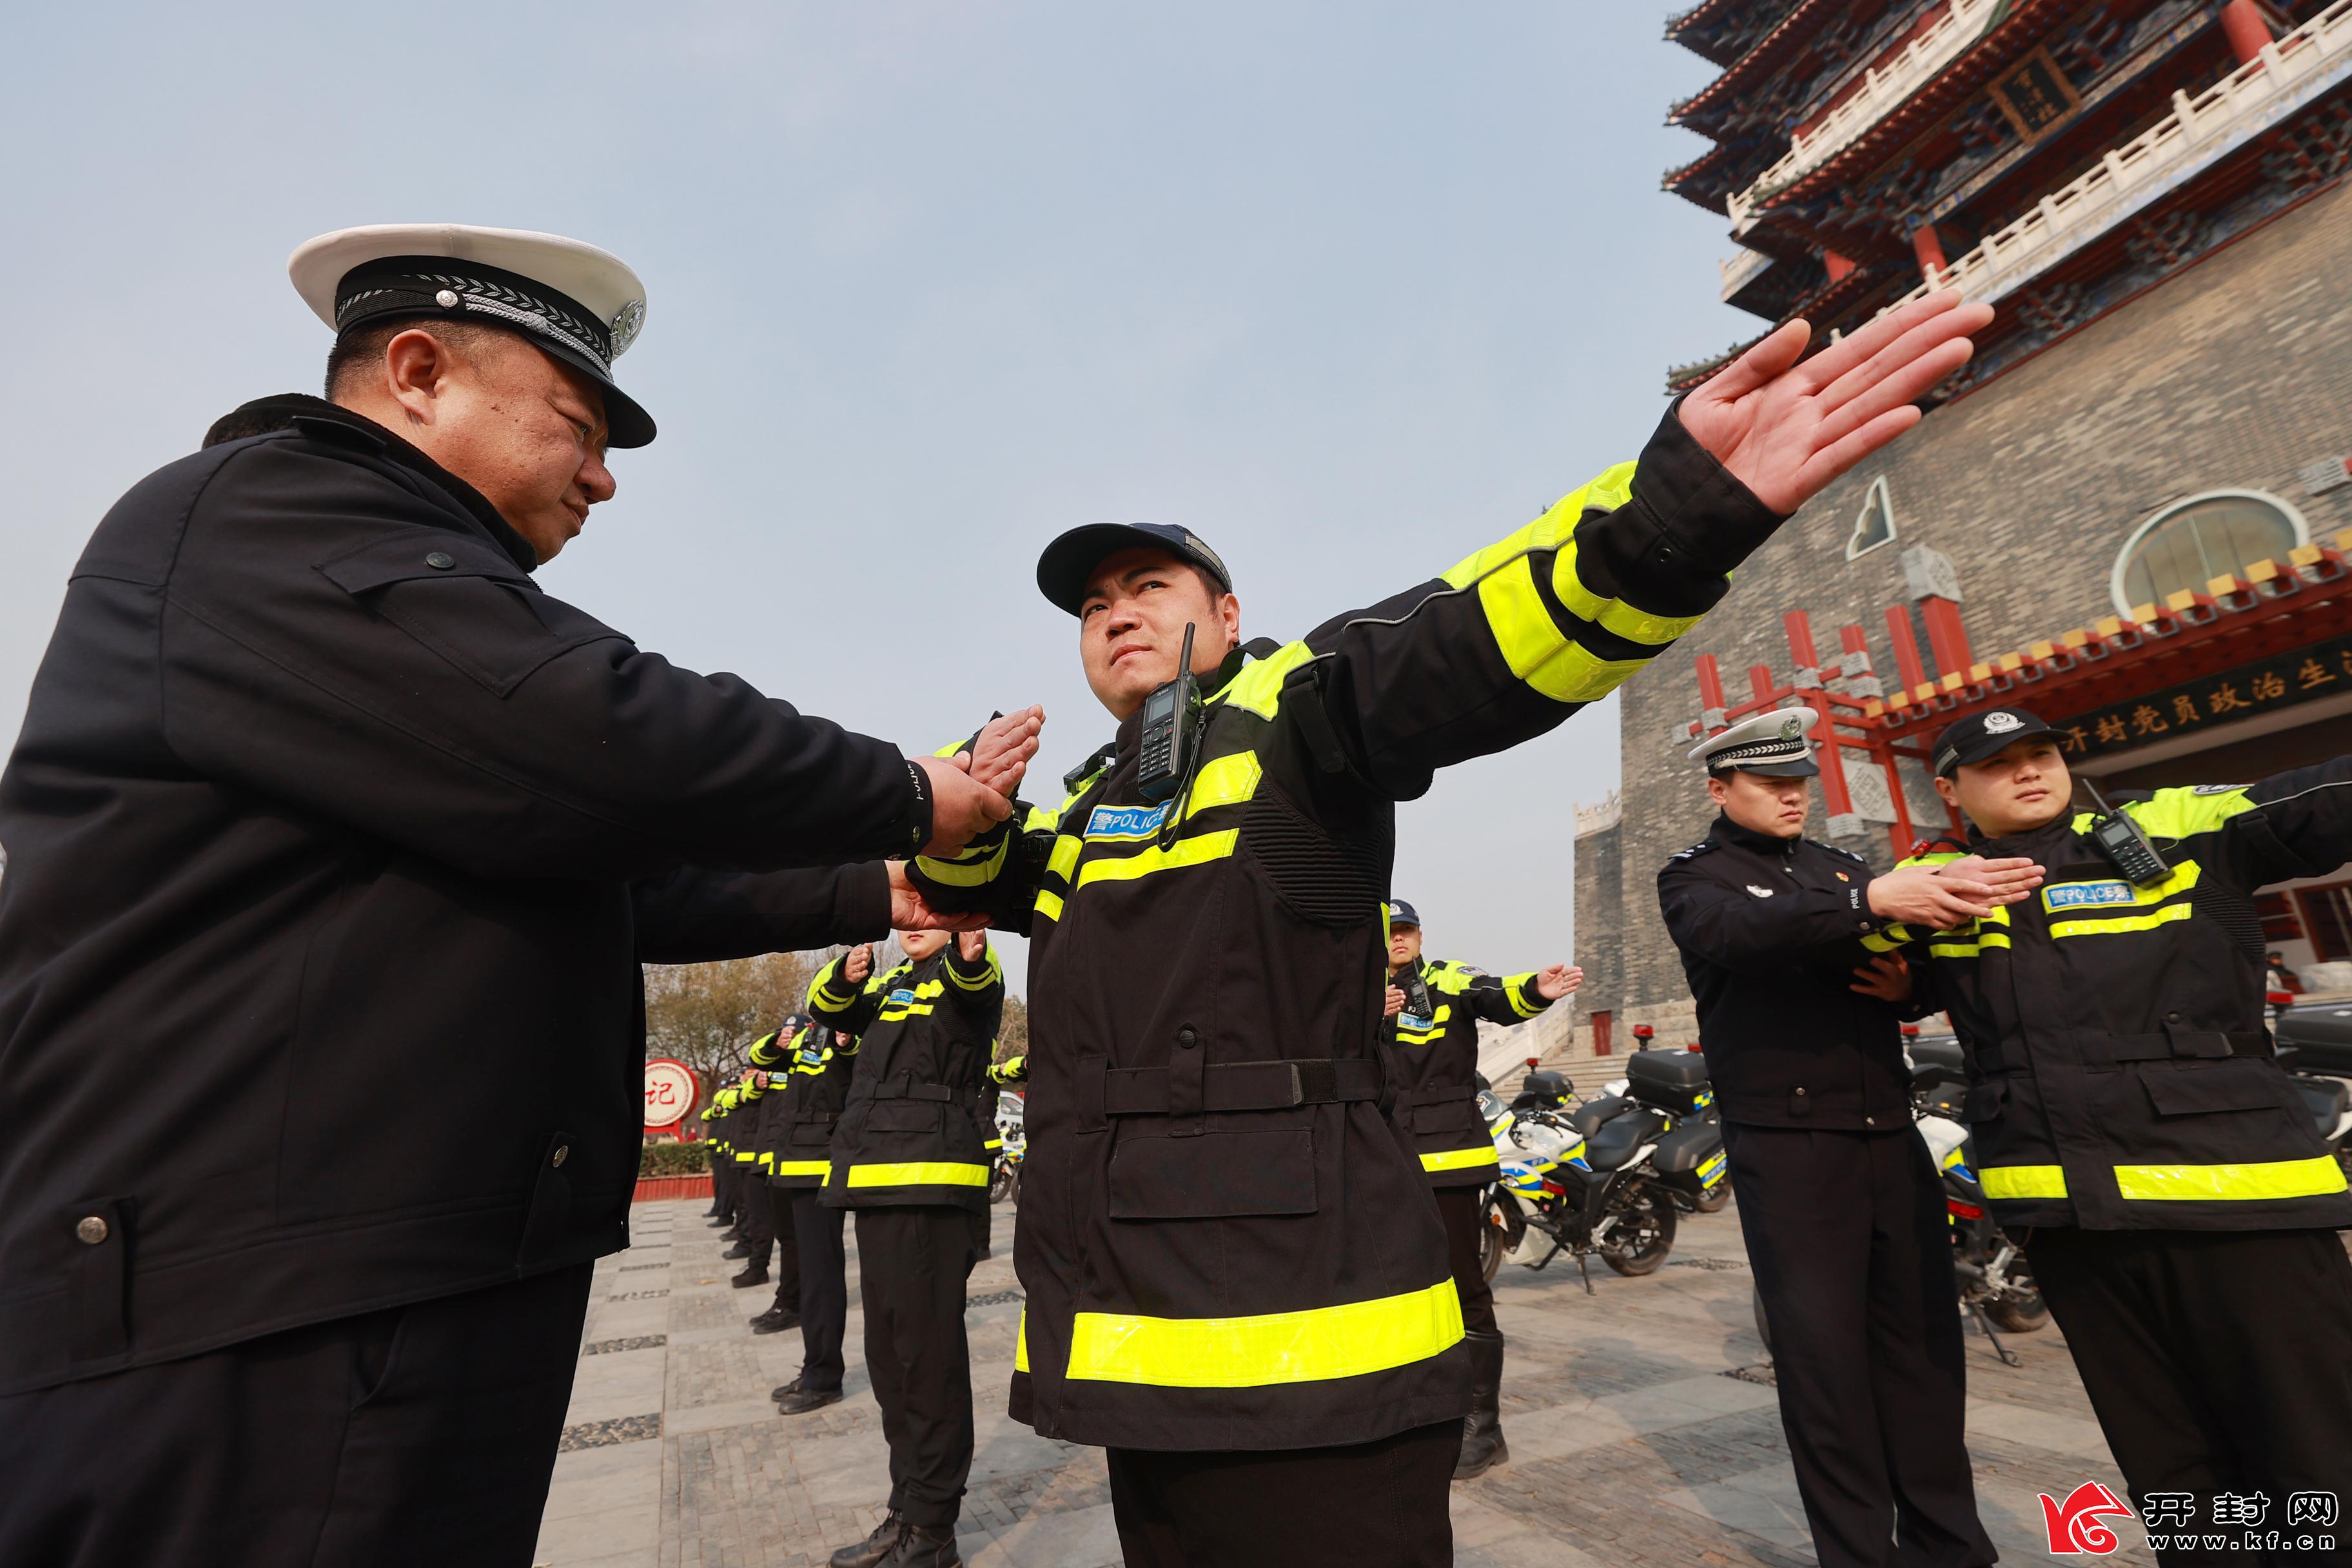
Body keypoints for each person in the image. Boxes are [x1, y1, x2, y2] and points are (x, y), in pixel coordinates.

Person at [0, 223, 1039, 1566]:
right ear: (420, 371)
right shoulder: (278, 513)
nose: (603, 479)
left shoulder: (380, 602)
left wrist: (878, 879)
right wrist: (909, 792)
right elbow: (586, 724)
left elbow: (609, 867)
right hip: (254, 1312)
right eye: (575, 425)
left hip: (361, 1280)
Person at [905, 290, 1995, 1565]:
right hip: (1132, 1313)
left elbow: (1467, 640)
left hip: (1306, 1320)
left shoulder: (1298, 705)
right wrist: (960, 809)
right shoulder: (1109, 790)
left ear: (1226, 606)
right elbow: (1007, 885)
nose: (1119, 614)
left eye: (1150, 585)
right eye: (1094, 607)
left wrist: (1667, 521)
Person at [1887, 706, 2352, 1554]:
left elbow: (2325, 798)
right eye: (1999, 765)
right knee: (2175, 1473)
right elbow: (1828, 956)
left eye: (2042, 753)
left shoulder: (2175, 825)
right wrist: (1876, 899)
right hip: (2074, 1227)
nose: (2030, 771)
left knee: (2319, 1455)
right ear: (1950, 792)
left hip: (2238, 1206)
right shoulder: (1934, 889)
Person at [1656, 707, 2038, 1568]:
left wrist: (1911, 978)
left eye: (1801, 784)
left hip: (1886, 1138)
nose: (1794, 798)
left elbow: (1906, 971)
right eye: (1771, 785)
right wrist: (1866, 899)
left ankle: (1950, 1547)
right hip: (1789, 1151)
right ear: (1721, 789)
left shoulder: (1838, 864)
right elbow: (1739, 937)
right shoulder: (1697, 879)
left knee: (1925, 1356)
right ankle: (1859, 1553)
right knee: (1826, 1369)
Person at [814, 930, 1008, 1568]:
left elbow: (977, 987)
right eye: (908, 904)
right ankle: (906, 1507)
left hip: (929, 1180)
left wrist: (971, 950)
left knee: (927, 1361)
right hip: (874, 1178)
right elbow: (829, 1010)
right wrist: (846, 971)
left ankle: (933, 1529)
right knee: (890, 1358)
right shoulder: (888, 983)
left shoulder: (962, 970)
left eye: (933, 903)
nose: (915, 917)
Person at [1378, 899, 1578, 1480]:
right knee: (1398, 1292)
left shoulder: (1446, 977)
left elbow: (1495, 995)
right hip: (1384, 1163)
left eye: (1406, 930)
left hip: (1450, 1161)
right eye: (1387, 931)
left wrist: (1536, 990)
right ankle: (1418, 1413)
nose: (1398, 939)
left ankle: (1482, 1428)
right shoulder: (1354, 990)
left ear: (1420, 935)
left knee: (1465, 1288)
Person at [771, 967, 871, 1415]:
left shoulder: (850, 1033)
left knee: (823, 1276)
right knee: (814, 1275)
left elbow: (856, 1063)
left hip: (823, 1166)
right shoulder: (804, 1041)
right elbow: (763, 1058)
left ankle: (824, 1375)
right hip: (794, 1166)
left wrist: (845, 1041)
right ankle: (816, 1365)